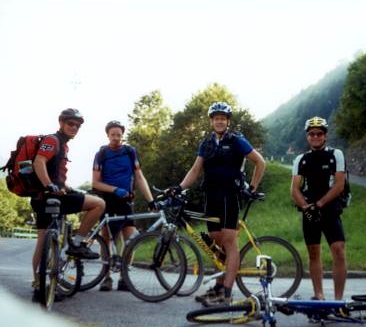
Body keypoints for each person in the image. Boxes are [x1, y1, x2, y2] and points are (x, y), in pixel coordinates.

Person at [168, 101, 265, 306]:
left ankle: (227, 293)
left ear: (227, 121)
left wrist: (252, 188)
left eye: (223, 118)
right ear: (212, 121)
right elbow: (195, 170)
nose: (219, 121)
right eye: (216, 118)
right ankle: (219, 287)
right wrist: (179, 187)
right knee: (215, 245)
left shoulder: (237, 140)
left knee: (229, 242)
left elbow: (260, 162)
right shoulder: (206, 143)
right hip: (211, 196)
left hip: (230, 196)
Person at [31, 108, 105, 302]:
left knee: (42, 241)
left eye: (77, 126)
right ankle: (78, 243)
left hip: (42, 197)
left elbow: (54, 172)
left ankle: (38, 286)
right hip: (51, 195)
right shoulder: (52, 141)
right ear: (61, 123)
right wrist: (50, 185)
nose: (74, 128)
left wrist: (66, 186)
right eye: (71, 124)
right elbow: (39, 161)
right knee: (98, 204)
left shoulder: (63, 144)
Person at [92, 120, 158, 291]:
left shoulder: (129, 152)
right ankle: (106, 277)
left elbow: (139, 177)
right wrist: (115, 190)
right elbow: (95, 183)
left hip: (126, 201)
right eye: (113, 135)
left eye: (119, 135)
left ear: (122, 135)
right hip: (106, 200)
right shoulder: (101, 154)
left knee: (130, 239)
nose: (116, 138)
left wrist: (151, 200)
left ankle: (124, 277)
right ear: (107, 135)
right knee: (106, 239)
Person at [290, 116, 347, 305]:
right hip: (310, 211)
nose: (315, 136)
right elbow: (294, 189)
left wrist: (319, 204)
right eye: (312, 134)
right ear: (307, 137)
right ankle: (319, 296)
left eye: (319, 133)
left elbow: (339, 185)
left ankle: (338, 301)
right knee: (314, 253)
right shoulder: (301, 159)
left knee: (338, 250)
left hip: (329, 208)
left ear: (325, 136)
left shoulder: (335, 155)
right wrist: (307, 207)